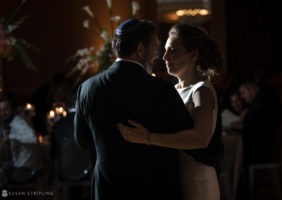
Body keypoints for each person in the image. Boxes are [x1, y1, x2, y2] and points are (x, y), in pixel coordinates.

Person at [74, 19, 193, 200]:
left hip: (108, 188)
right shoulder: (161, 89)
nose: (156, 55)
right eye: (154, 48)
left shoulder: (87, 88)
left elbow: (82, 140)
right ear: (140, 49)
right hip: (154, 187)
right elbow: (186, 135)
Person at [118, 24, 224, 200]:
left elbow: (201, 138)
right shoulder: (173, 89)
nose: (164, 57)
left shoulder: (201, 91)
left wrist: (148, 137)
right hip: (176, 177)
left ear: (194, 54)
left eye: (173, 51)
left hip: (197, 179)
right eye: (164, 50)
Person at [0, 92, 44, 183]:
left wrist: (11, 137)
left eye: (6, 109)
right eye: (0, 110)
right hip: (18, 167)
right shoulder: (7, 124)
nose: (2, 113)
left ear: (13, 109)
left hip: (27, 169)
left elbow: (33, 138)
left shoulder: (18, 122)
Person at [239, 81, 282, 165]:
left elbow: (249, 128)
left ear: (251, 90)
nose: (242, 97)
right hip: (270, 147)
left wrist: (239, 127)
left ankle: (234, 178)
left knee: (232, 151)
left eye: (243, 93)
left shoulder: (259, 103)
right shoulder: (263, 99)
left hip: (264, 151)